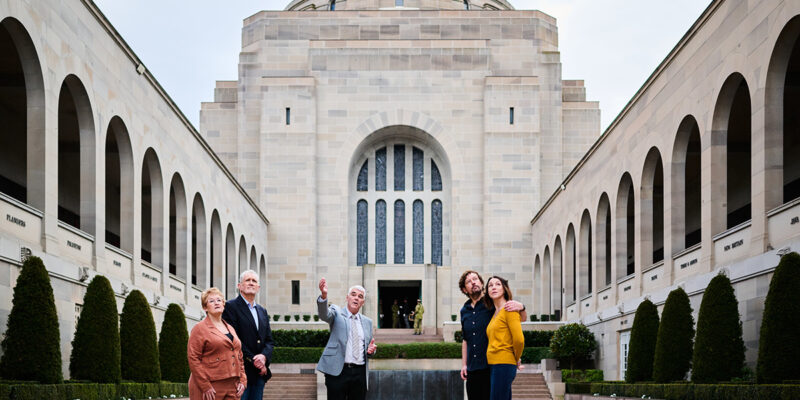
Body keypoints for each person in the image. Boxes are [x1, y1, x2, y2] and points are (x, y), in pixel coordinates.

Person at [459, 270, 526, 400]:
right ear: (464, 289)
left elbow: (520, 320)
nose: (473, 283)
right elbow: (465, 339)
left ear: (481, 283)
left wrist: (522, 307)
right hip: (472, 369)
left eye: (476, 279)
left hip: (490, 366)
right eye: (469, 281)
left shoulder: (491, 305)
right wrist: (464, 364)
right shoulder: (464, 310)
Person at [316, 278, 378, 400]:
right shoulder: (336, 312)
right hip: (338, 372)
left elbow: (368, 347)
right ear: (347, 297)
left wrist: (371, 350)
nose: (356, 298)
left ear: (363, 302)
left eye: (360, 296)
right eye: (353, 295)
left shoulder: (367, 322)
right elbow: (324, 314)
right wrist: (324, 295)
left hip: (360, 373)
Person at [222, 270, 275, 400]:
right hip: (240, 373)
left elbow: (269, 341)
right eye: (247, 280)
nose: (251, 283)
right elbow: (232, 338)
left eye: (254, 281)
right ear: (239, 286)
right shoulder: (230, 307)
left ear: (258, 288)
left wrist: (263, 357)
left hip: (259, 375)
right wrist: (254, 361)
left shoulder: (262, 311)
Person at [188, 287, 247, 400]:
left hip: (233, 385)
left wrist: (243, 380)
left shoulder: (230, 328)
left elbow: (239, 356)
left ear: (224, 304)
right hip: (210, 387)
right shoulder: (199, 328)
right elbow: (193, 358)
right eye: (211, 301)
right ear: (205, 307)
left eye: (219, 300)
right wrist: (205, 385)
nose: (216, 303)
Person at [484, 276, 524, 400]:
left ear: (504, 289)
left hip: (504, 363)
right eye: (490, 285)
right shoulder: (495, 313)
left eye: (498, 284)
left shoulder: (509, 309)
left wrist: (516, 357)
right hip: (494, 364)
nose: (494, 287)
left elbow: (519, 339)